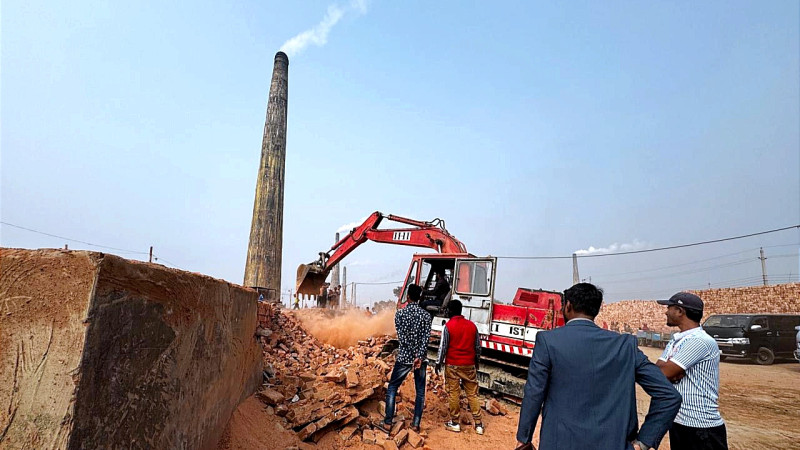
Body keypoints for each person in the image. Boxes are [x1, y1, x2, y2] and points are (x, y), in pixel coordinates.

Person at [516, 283, 681, 450]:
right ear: (596, 309)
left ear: (568, 306)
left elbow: (534, 393)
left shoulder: (548, 341)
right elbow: (669, 395)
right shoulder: (625, 345)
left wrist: (523, 439)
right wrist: (643, 443)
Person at [656, 292, 727, 450]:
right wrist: (670, 372)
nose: (666, 312)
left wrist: (668, 371)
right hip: (680, 422)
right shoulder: (677, 340)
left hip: (700, 428)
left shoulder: (700, 340)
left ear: (680, 311)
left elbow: (662, 373)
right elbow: (658, 370)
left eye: (669, 308)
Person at [376, 284, 431, 434]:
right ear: (419, 297)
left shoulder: (400, 314)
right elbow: (426, 339)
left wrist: (411, 354)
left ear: (408, 296)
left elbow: (402, 338)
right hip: (420, 360)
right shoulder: (426, 316)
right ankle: (416, 424)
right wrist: (418, 356)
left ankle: (388, 422)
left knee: (392, 387)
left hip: (405, 357)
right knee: (420, 392)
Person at [435, 300, 484, 435]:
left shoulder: (448, 326)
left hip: (453, 365)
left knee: (454, 394)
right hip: (469, 365)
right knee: (472, 394)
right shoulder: (472, 326)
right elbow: (477, 347)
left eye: (448, 310)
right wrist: (476, 362)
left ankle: (455, 423)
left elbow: (443, 347)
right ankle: (478, 424)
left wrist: (438, 363)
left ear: (451, 311)